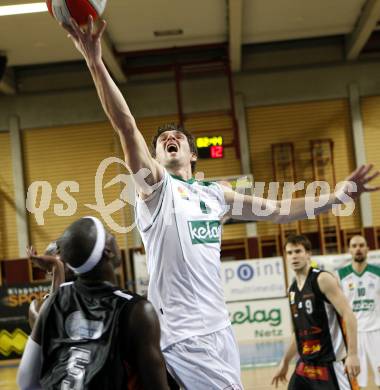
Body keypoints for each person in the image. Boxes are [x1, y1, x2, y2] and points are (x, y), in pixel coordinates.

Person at [61, 16, 379, 389]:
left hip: (219, 330)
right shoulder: (155, 190)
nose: (170, 138)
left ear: (193, 155)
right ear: (155, 157)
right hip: (182, 336)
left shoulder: (216, 196)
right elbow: (125, 125)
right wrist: (95, 61)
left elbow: (279, 210)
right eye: (162, 140)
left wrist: (336, 198)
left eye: (177, 136)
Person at [17, 216, 170, 390]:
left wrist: (56, 267)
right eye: (109, 235)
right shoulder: (137, 310)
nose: (114, 237)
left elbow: (26, 381)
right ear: (107, 251)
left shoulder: (52, 303)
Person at [272, 234, 360, 390]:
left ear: (308, 254)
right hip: (305, 366)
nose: (294, 256)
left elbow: (349, 315)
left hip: (330, 365)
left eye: (298, 251)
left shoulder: (322, 279)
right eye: (290, 252)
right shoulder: (292, 290)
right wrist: (285, 361)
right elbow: (298, 333)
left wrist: (352, 354)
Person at [338, 235, 380, 388]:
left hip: (377, 333)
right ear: (349, 250)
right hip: (353, 336)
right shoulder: (340, 275)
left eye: (361, 245)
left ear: (368, 249)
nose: (358, 249)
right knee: (355, 382)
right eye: (354, 246)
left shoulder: (378, 272)